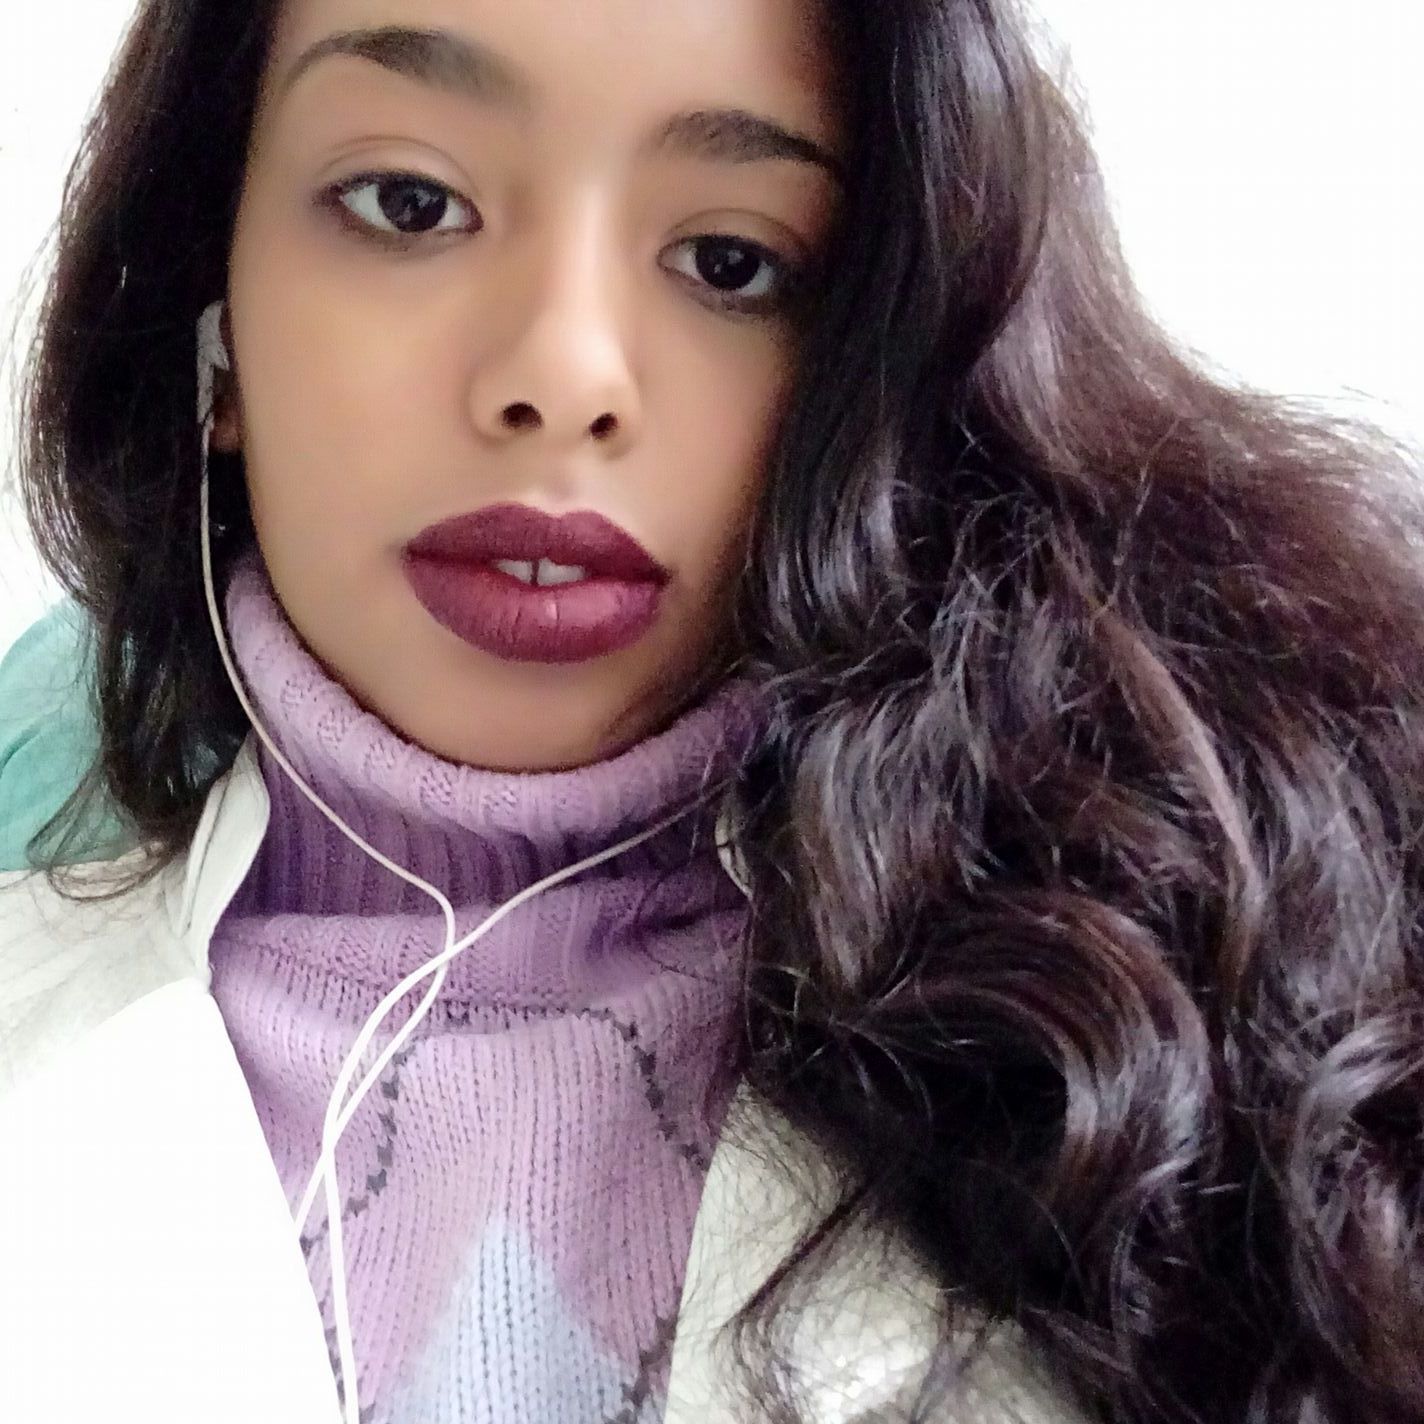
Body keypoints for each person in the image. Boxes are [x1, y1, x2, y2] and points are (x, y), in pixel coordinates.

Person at [3, 0, 1423, 1421]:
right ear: (211, 313)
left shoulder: (1249, 1029)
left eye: (732, 263)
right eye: (411, 202)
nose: (561, 376)